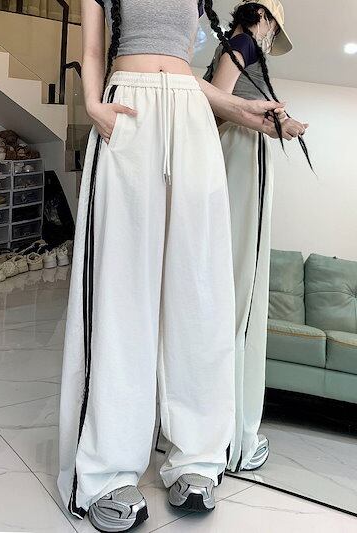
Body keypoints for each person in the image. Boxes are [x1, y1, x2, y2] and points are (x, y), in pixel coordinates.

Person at [57, 1, 304, 531]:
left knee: (199, 293)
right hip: (127, 111)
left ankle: (196, 456)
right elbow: (92, 49)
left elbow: (186, 75)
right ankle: (107, 469)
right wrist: (93, 103)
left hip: (189, 117)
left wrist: (244, 111)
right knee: (122, 291)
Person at [204, 0, 309, 473]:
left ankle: (219, 426)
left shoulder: (236, 49)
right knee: (238, 284)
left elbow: (227, 102)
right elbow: (218, 103)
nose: (270, 38)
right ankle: (231, 432)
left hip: (238, 153)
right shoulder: (243, 44)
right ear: (262, 17)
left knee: (229, 280)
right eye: (272, 29)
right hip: (239, 156)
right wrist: (268, 124)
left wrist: (278, 123)